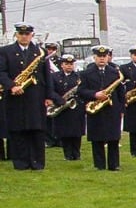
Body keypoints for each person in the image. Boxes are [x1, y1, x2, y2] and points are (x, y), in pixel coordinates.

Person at [1, 23, 51, 170]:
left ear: (32, 35)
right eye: (21, 34)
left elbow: (46, 76)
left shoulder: (40, 52)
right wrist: (12, 86)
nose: (24, 36)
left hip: (36, 96)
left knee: (37, 130)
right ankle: (21, 163)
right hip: (15, 96)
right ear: (16, 35)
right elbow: (1, 72)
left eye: (27, 34)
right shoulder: (5, 51)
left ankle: (37, 162)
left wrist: (48, 96)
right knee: (18, 130)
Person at [78, 45, 125, 171]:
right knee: (97, 137)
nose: (102, 59)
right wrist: (94, 94)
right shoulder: (86, 73)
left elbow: (121, 92)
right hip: (95, 108)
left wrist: (121, 109)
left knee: (113, 137)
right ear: (94, 57)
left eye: (104, 56)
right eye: (99, 56)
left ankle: (114, 164)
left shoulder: (115, 72)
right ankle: (99, 165)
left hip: (112, 108)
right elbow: (81, 90)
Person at [49, 54, 84, 160]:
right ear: (62, 65)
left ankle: (76, 153)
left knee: (76, 132)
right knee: (64, 132)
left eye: (71, 64)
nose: (69, 66)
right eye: (66, 64)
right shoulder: (54, 76)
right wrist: (60, 100)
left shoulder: (79, 76)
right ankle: (67, 154)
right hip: (62, 108)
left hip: (76, 108)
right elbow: (51, 90)